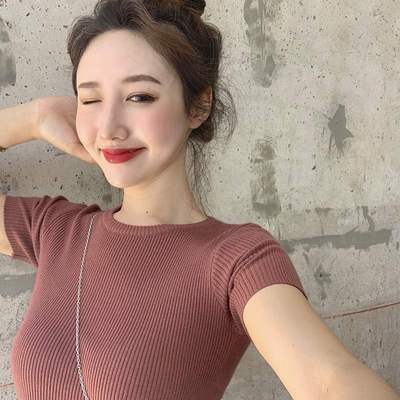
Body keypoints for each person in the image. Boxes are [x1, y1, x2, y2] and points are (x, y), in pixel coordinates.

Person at [0, 0, 398, 399]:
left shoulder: (236, 259)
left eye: (139, 97)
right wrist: (34, 117)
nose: (108, 128)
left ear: (199, 106)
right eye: (90, 100)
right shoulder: (56, 230)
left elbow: (329, 381)